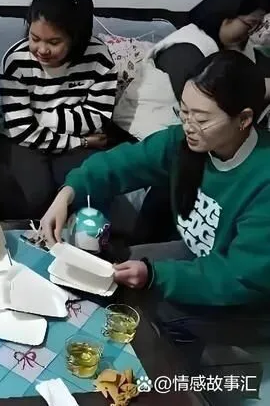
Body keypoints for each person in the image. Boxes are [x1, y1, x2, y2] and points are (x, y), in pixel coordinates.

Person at [42, 50, 270, 360]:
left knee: (151, 312)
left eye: (202, 119)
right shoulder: (185, 143)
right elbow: (122, 164)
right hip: (200, 257)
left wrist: (156, 275)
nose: (188, 125)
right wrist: (68, 193)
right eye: (184, 112)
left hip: (250, 297)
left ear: (243, 119)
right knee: (109, 273)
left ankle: (190, 375)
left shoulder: (262, 179)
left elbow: (239, 276)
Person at [113, 0, 270, 243]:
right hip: (145, 132)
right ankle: (146, 244)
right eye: (248, 25)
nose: (250, 34)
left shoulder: (238, 49)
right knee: (181, 174)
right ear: (227, 15)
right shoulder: (186, 48)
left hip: (200, 137)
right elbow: (212, 100)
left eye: (256, 27)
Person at [0, 0, 116, 219]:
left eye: (54, 42)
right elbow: (22, 130)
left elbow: (97, 116)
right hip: (27, 142)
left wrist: (41, 116)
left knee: (87, 189)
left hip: (70, 142)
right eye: (34, 39)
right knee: (36, 196)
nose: (42, 50)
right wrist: (81, 140)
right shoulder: (16, 61)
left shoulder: (98, 57)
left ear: (75, 38)